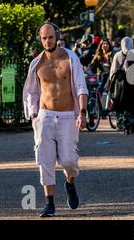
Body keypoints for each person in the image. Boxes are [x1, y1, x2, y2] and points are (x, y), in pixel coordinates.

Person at [23, 23, 88, 217]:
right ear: (40, 39)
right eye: (44, 38)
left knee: (69, 161)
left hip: (68, 117)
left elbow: (80, 87)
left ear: (57, 37)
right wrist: (34, 115)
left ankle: (70, 183)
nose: (47, 41)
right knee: (45, 161)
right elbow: (30, 91)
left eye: (50, 37)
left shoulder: (70, 58)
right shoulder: (37, 63)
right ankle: (49, 203)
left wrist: (82, 113)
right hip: (44, 117)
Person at [109, 37, 134, 134]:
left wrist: (111, 82)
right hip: (133, 84)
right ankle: (132, 125)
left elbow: (113, 70)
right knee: (132, 105)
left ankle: (123, 124)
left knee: (122, 104)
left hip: (121, 84)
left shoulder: (117, 55)